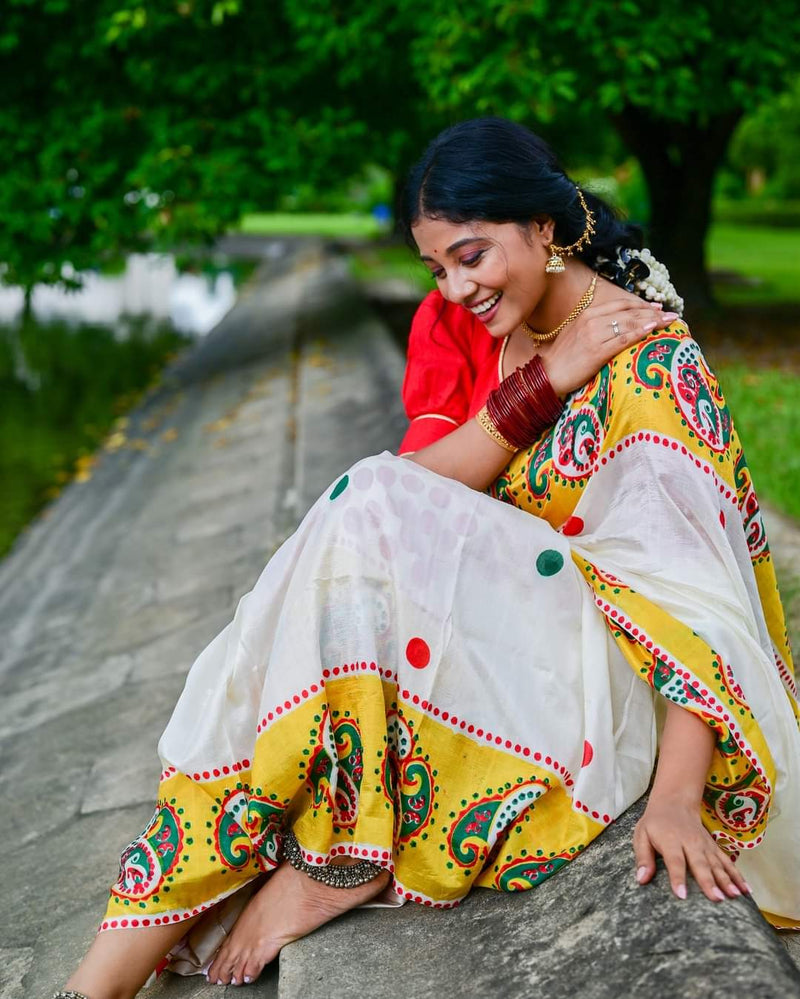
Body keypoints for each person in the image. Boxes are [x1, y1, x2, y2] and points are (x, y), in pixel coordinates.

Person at [56, 118, 800, 999]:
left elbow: (700, 604)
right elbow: (419, 494)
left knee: (358, 519)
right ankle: (106, 973)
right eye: (437, 267)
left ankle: (323, 865)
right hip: (530, 668)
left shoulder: (651, 359)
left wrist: (677, 796)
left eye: (472, 256)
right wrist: (542, 381)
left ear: (546, 227)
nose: (455, 288)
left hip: (624, 691)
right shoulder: (510, 338)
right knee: (341, 555)